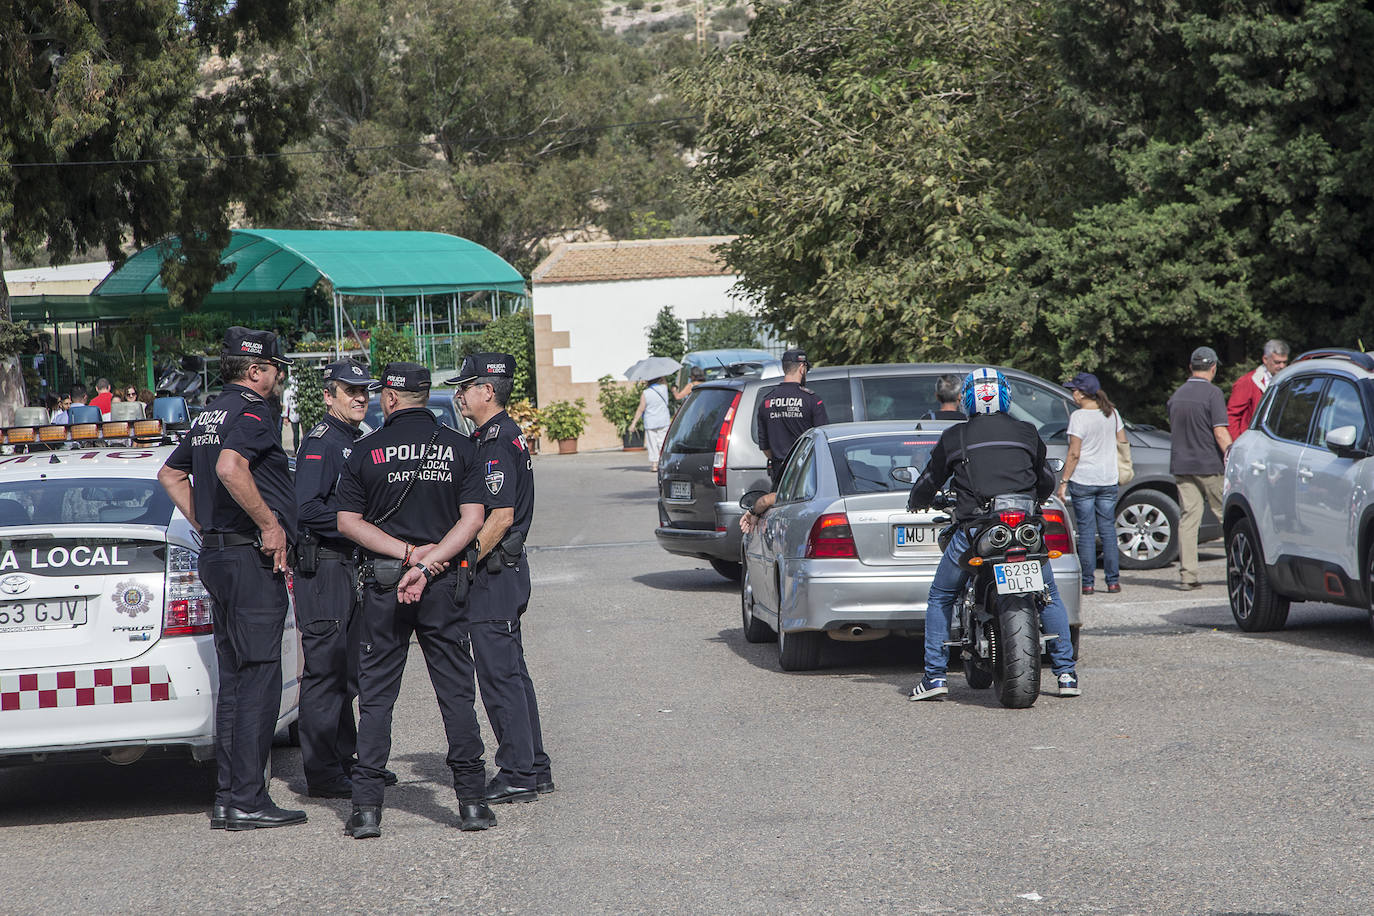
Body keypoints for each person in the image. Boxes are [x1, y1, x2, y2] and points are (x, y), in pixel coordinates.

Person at [335, 362, 494, 838]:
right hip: (442, 583)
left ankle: (366, 809)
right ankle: (472, 803)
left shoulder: (365, 450)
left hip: (386, 583)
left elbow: (347, 522)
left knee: (378, 697)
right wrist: (428, 564)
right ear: (426, 396)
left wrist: (405, 556)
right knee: (456, 693)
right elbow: (473, 520)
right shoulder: (460, 448)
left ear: (389, 397)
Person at [156, 327, 305, 831]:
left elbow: (171, 475)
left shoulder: (208, 411)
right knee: (259, 677)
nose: (278, 379)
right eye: (276, 370)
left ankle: (229, 796)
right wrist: (269, 525)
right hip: (247, 559)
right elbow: (229, 466)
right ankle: (248, 799)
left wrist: (207, 524)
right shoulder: (251, 411)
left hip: (219, 557)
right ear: (257, 371)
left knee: (237, 680)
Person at [905, 368, 1080, 700]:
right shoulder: (1027, 431)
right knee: (1050, 596)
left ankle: (935, 677)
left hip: (977, 529)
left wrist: (918, 502)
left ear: (968, 399)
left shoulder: (955, 436)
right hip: (1025, 529)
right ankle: (1067, 675)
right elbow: (1045, 481)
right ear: (1006, 396)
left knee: (941, 596)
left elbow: (929, 480)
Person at [448, 353, 554, 806]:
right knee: (512, 673)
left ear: (487, 390)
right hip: (507, 571)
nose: (460, 394)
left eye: (466, 386)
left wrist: (465, 561)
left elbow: (500, 516)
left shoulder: (495, 441)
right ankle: (534, 766)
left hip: (493, 574)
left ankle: (516, 772)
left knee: (498, 677)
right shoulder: (503, 435)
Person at [293, 358, 382, 799]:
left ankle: (347, 761)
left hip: (346, 565)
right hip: (324, 567)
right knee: (326, 673)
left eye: (365, 390)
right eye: (350, 390)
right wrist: (355, 525)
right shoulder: (323, 441)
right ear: (329, 395)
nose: (361, 397)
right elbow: (306, 508)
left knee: (348, 672)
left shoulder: (354, 438)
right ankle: (323, 772)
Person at [1056, 372, 1127, 596]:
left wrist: (1063, 481)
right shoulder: (1112, 413)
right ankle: (1113, 582)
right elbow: (1123, 442)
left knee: (1086, 533)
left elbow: (1074, 453)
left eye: (1074, 391)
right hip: (1108, 479)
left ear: (1083, 393)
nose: (1073, 395)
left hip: (1083, 480)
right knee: (1108, 530)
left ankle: (1087, 584)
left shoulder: (1079, 417)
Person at [1168, 346, 1232, 591]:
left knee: (1188, 520)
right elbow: (1219, 431)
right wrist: (1232, 455)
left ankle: (1188, 576)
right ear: (1213, 368)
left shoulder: (1177, 395)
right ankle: (1239, 566)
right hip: (1210, 465)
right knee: (1227, 517)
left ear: (1190, 368)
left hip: (1182, 466)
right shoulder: (1213, 394)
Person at [757, 348, 828, 485]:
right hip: (806, 471)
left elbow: (765, 447)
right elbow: (822, 440)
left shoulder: (766, 401)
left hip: (779, 471)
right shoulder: (812, 400)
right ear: (802, 367)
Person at [1227, 339, 1289, 441]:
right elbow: (1232, 416)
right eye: (1277, 362)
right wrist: (1238, 443)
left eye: (1284, 362)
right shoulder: (1248, 381)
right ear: (1265, 359)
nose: (1282, 366)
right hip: (1251, 443)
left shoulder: (1288, 381)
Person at [630, 374, 673, 472]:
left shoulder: (646, 393)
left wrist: (633, 423)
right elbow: (664, 382)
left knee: (652, 443)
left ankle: (654, 464)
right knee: (662, 442)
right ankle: (664, 462)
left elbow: (641, 408)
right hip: (663, 420)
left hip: (650, 421)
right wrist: (662, 376)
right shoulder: (664, 388)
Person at [281, 376, 301, 452]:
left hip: (293, 414)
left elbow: (285, 405)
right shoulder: (300, 390)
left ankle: (296, 450)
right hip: (298, 413)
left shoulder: (287, 391)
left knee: (295, 433)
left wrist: (285, 416)